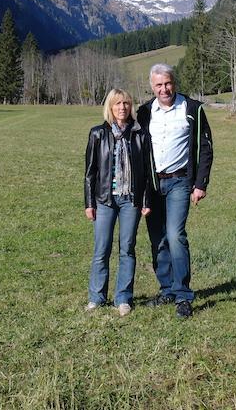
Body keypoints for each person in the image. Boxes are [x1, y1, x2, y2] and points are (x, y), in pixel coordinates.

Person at [137, 63, 213, 318]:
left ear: (174, 83)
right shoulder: (145, 112)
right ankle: (166, 289)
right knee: (157, 239)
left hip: (180, 181)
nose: (164, 89)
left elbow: (205, 148)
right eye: (158, 85)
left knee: (175, 235)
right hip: (153, 184)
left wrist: (200, 184)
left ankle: (183, 295)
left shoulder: (192, 109)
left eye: (167, 83)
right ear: (152, 87)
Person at [84, 88, 153, 316]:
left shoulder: (140, 134)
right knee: (101, 249)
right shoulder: (97, 134)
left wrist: (145, 200)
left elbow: (145, 172)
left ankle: (123, 298)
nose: (122, 108)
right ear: (110, 107)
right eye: (117, 104)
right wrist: (89, 203)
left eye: (126, 103)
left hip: (130, 201)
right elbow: (90, 172)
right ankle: (96, 297)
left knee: (127, 249)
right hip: (104, 200)